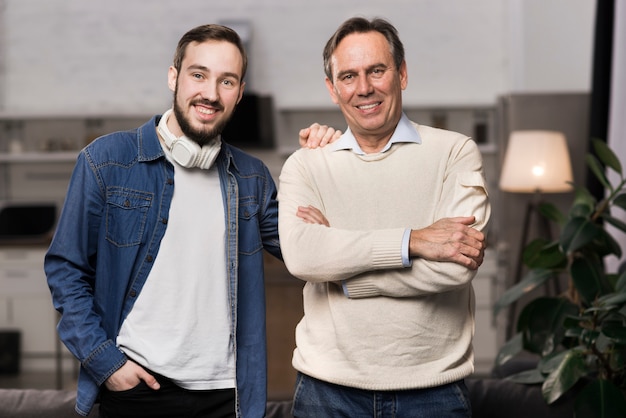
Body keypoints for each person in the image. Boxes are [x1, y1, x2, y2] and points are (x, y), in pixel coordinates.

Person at [44, 24, 338, 418]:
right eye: (198, 75)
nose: (211, 94)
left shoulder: (251, 177)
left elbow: (310, 252)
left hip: (227, 394)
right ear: (174, 77)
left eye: (227, 81)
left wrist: (326, 168)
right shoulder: (107, 161)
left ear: (240, 92)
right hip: (137, 387)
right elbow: (66, 270)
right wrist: (106, 362)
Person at [278, 17, 491, 417]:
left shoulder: (454, 152)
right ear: (332, 88)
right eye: (348, 76)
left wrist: (343, 273)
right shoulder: (306, 165)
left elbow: (455, 269)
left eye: (377, 70)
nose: (364, 88)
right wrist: (414, 241)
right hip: (327, 390)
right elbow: (304, 258)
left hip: (434, 390)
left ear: (402, 73)